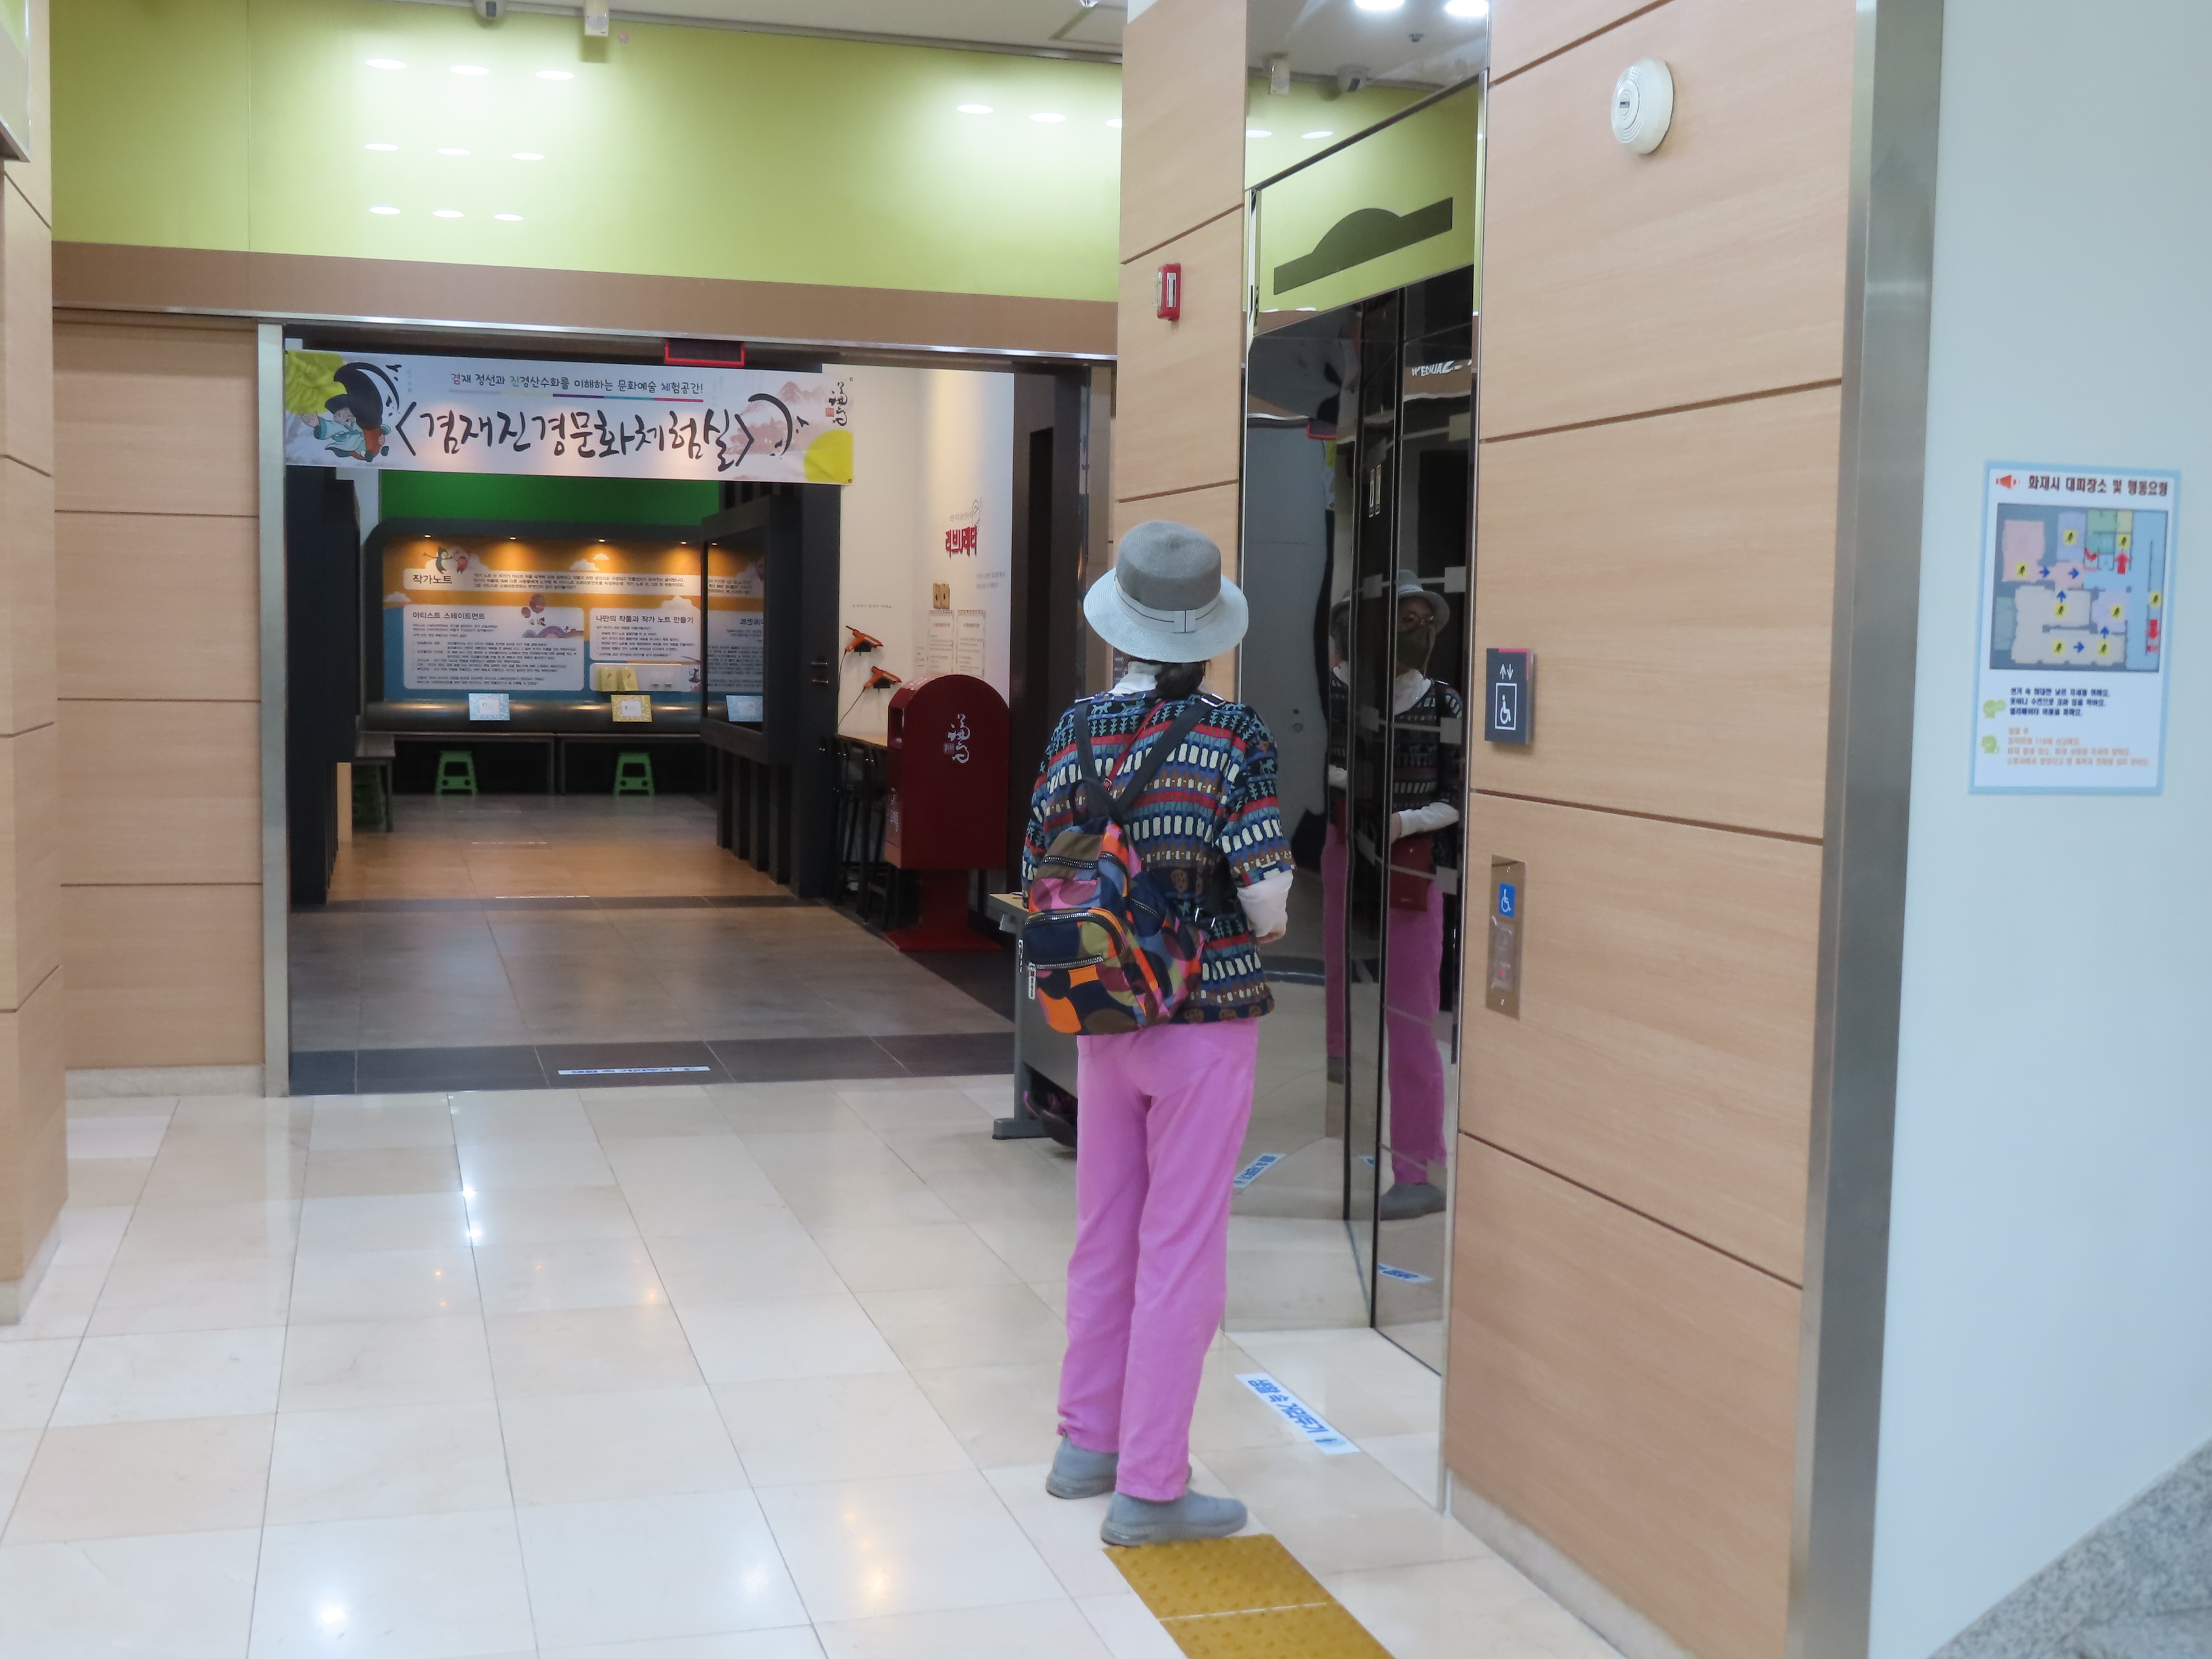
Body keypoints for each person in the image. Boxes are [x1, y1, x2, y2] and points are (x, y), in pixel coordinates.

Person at [1024, 520, 1295, 1547]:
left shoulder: (1076, 729)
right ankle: (1149, 1488)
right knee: (1181, 1247)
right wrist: (1250, 913)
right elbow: (1263, 892)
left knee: (1103, 1229)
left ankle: (1084, 1445)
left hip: (1101, 1009)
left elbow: (1042, 856)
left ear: (1121, 626)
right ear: (1207, 631)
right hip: (1203, 1017)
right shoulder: (1235, 737)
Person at [1320, 577, 1463, 1221]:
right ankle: (1338, 1106)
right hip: (1347, 844)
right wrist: (1363, 791)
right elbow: (1323, 763)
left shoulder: (1444, 702)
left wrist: (1402, 819)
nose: (1415, 630)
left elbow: (1456, 794)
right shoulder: (1339, 690)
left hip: (1412, 865)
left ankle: (1417, 1166)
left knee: (1411, 1016)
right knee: (1338, 980)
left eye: (1423, 620)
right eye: (1402, 619)